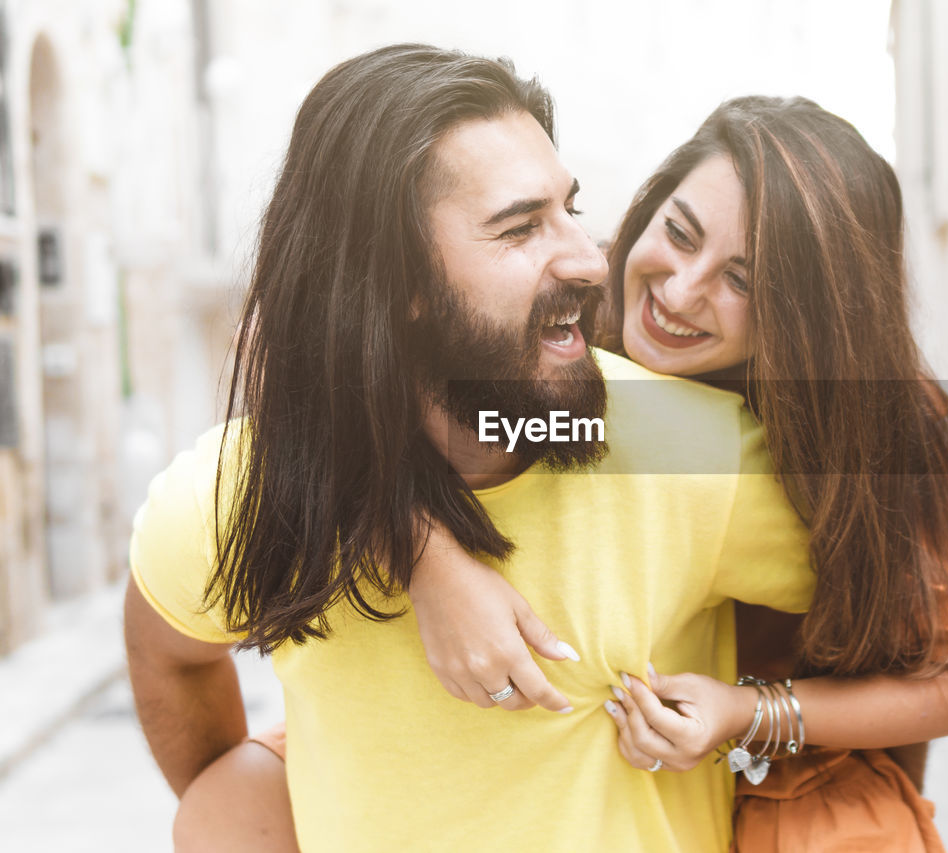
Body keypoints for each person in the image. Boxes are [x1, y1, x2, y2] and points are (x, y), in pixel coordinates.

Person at [124, 46, 817, 853]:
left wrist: (770, 725)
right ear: (395, 285)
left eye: (570, 208)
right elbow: (166, 650)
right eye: (521, 227)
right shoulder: (241, 487)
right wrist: (253, 815)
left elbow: (928, 649)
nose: (593, 261)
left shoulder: (697, 453)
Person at [409, 96, 948, 851]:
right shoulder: (561, 308)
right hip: (541, 740)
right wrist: (425, 557)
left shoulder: (884, 428)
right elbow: (320, 366)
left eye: (744, 280)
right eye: (678, 233)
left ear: (812, 318)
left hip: (781, 779)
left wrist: (750, 713)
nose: (679, 292)